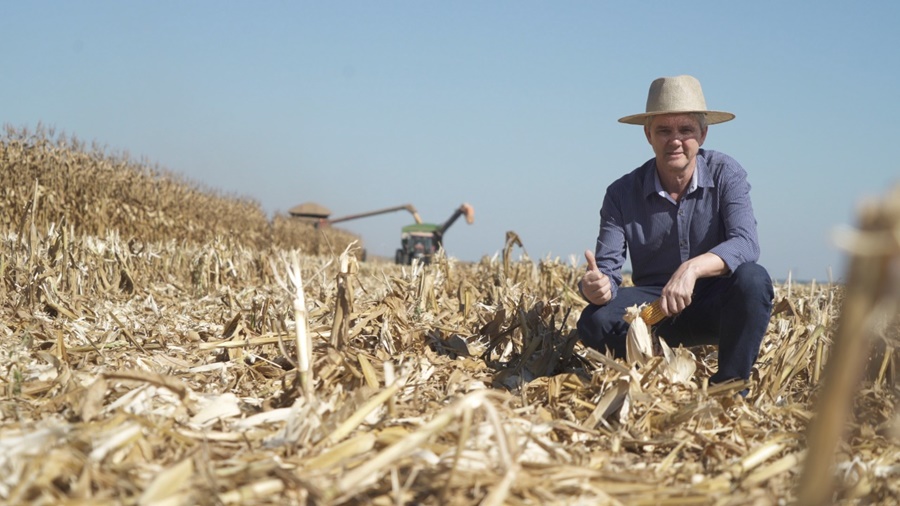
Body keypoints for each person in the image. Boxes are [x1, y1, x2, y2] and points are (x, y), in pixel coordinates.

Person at [577, 75, 774, 385]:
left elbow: (746, 243)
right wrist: (595, 288)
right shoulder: (621, 193)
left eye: (686, 130)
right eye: (664, 131)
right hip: (656, 309)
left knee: (753, 280)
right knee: (594, 319)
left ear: (703, 135)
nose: (675, 140)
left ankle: (729, 388)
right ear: (648, 135)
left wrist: (692, 269)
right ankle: (649, 373)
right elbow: (606, 274)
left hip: (714, 302)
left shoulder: (726, 173)